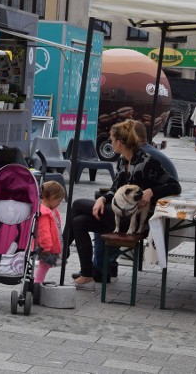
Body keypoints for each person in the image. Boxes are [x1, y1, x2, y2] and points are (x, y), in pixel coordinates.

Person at [64, 119, 181, 291]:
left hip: (134, 220)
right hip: (119, 215)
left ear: (120, 142)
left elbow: (175, 186)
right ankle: (87, 275)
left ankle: (61, 249)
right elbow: (115, 189)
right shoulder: (122, 160)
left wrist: (151, 191)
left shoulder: (146, 161)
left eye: (111, 139)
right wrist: (102, 199)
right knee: (79, 221)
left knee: (77, 204)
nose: (110, 143)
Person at [34, 180, 66, 284]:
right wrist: (46, 249)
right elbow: (44, 233)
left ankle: (37, 282)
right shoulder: (44, 212)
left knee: (45, 266)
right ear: (52, 197)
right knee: (44, 265)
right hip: (45, 248)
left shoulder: (49, 209)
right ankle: (37, 283)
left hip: (47, 247)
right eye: (59, 200)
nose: (59, 203)